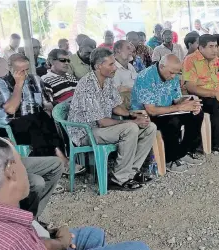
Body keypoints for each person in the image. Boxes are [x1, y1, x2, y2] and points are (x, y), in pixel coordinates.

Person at [0, 134, 157, 250]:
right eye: (21, 161)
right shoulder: (12, 244)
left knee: (92, 236)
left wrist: (55, 240)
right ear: (11, 170)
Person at [69, 47, 155, 191]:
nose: (115, 67)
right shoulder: (87, 85)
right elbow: (102, 122)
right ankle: (118, 178)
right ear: (98, 66)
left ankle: (131, 173)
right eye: (111, 64)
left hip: (101, 129)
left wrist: (133, 114)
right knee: (131, 128)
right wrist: (132, 122)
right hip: (86, 132)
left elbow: (116, 107)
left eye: (114, 63)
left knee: (150, 127)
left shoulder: (107, 81)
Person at [0, 119, 64, 220]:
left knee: (56, 164)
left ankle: (31, 220)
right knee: (37, 182)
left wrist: (0, 142)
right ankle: (26, 221)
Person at [0, 54, 76, 169]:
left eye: (26, 69)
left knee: (44, 120)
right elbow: (11, 110)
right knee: (36, 120)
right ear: (10, 68)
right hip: (9, 127)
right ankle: (60, 159)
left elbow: (46, 103)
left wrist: (49, 108)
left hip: (37, 125)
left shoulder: (35, 79)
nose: (25, 74)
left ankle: (53, 162)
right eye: (20, 71)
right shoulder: (0, 82)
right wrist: (18, 85)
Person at [132, 54, 204, 172]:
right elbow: (151, 110)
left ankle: (184, 152)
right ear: (161, 66)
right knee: (172, 122)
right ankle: (170, 159)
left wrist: (189, 102)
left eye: (176, 73)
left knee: (196, 114)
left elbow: (176, 99)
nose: (174, 76)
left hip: (168, 110)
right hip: (146, 115)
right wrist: (179, 107)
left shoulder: (173, 75)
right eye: (171, 73)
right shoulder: (145, 77)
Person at [112, 40, 137, 109]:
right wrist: (134, 89)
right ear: (118, 51)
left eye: (131, 48)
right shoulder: (112, 68)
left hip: (136, 99)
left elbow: (136, 82)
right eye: (128, 48)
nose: (131, 51)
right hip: (124, 105)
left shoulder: (130, 66)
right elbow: (117, 90)